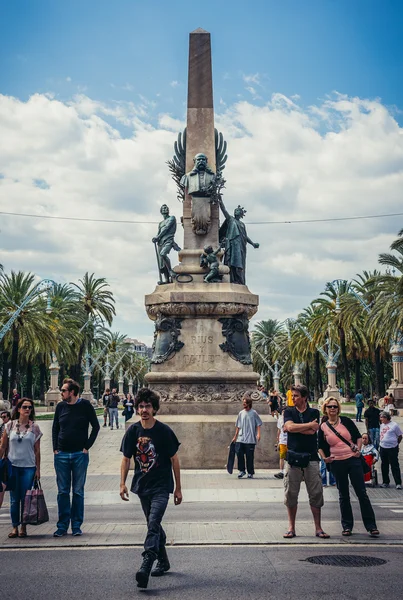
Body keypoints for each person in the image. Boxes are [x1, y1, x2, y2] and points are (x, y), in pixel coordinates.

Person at [120, 388, 182, 589]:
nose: (144, 409)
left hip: (162, 486)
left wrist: (178, 488)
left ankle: (147, 563)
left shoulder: (164, 431)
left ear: (154, 409)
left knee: (153, 522)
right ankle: (164, 561)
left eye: (147, 406)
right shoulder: (133, 431)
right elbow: (126, 459)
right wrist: (122, 483)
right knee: (153, 524)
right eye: (141, 406)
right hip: (142, 486)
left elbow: (175, 460)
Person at [318, 397, 379, 537]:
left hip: (353, 460)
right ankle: (347, 526)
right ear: (325, 409)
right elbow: (320, 445)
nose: (332, 409)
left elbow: (358, 437)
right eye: (329, 406)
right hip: (337, 462)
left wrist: (358, 450)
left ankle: (371, 526)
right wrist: (325, 458)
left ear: (338, 408)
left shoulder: (345, 421)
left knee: (361, 493)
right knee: (343, 495)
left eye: (334, 406)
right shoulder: (323, 426)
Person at [52, 378, 100, 537]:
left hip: (80, 454)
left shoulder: (85, 406)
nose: (61, 393)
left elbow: (96, 426)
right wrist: (55, 449)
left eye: (64, 391)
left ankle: (77, 526)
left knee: (78, 492)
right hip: (62, 455)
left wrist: (87, 446)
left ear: (72, 392)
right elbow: (55, 428)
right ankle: (62, 526)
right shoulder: (60, 407)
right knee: (63, 492)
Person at [282, 384, 329, 539]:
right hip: (293, 458)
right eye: (292, 396)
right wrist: (308, 426)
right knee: (291, 494)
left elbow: (313, 431)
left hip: (311, 458)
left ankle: (318, 527)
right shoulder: (288, 411)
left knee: (315, 493)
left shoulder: (314, 411)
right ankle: (291, 527)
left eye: (295, 396)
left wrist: (295, 428)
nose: (292, 398)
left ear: (304, 397)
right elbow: (290, 426)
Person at [0, 398, 42, 538]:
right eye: (24, 407)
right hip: (12, 467)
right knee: (13, 499)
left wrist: (38, 469)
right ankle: (14, 527)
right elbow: (3, 446)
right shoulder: (10, 426)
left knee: (25, 499)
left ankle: (24, 527)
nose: (27, 409)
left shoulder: (34, 427)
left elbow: (37, 450)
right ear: (18, 409)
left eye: (30, 407)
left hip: (28, 467)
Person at [218, 196, 259, 285]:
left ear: (241, 214)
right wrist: (220, 201)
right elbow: (224, 211)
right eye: (235, 210)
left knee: (239, 264)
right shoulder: (230, 219)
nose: (236, 212)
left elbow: (245, 236)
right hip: (232, 244)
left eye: (238, 211)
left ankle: (239, 280)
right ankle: (232, 279)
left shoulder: (242, 224)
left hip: (240, 246)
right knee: (232, 263)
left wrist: (252, 244)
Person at [232, 392, 262, 479]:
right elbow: (238, 425)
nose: (243, 404)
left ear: (249, 404)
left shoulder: (254, 413)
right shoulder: (241, 413)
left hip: (250, 439)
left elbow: (258, 424)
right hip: (241, 438)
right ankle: (242, 470)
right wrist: (235, 436)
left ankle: (250, 472)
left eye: (245, 403)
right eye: (243, 403)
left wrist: (258, 434)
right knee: (239, 455)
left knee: (249, 457)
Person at [152, 204, 180, 284]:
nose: (165, 209)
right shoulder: (160, 223)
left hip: (168, 240)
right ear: (161, 211)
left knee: (163, 254)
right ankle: (167, 280)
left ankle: (170, 271)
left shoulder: (172, 218)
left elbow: (166, 229)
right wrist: (156, 238)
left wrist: (158, 237)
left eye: (166, 208)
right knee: (162, 263)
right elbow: (159, 232)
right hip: (160, 242)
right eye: (163, 208)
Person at [379, 411, 402, 489]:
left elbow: (400, 436)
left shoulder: (394, 425)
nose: (380, 419)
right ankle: (385, 481)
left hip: (392, 448)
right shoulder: (381, 425)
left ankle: (398, 482)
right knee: (384, 465)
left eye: (382, 417)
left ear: (386, 417)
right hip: (383, 447)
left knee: (394, 465)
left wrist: (396, 444)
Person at [274, 408, 287, 479]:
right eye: (283, 412)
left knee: (288, 457)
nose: (284, 413)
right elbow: (279, 430)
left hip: (289, 441)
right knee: (282, 456)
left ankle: (287, 470)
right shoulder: (280, 419)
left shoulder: (290, 419)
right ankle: (281, 471)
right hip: (282, 441)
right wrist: (278, 441)